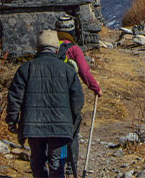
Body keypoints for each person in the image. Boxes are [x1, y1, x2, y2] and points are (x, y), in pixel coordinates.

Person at [7, 29, 84, 178]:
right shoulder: (68, 70)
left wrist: (12, 120)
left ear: (38, 48)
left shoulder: (26, 69)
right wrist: (73, 119)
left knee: (37, 160)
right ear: (57, 50)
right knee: (57, 163)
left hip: (33, 125)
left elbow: (14, 97)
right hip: (60, 126)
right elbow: (78, 99)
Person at [55, 14, 102, 178]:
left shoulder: (50, 47)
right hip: (68, 97)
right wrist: (96, 88)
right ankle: (70, 167)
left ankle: (56, 165)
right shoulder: (74, 49)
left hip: (50, 96)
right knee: (71, 133)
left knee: (54, 132)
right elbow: (84, 72)